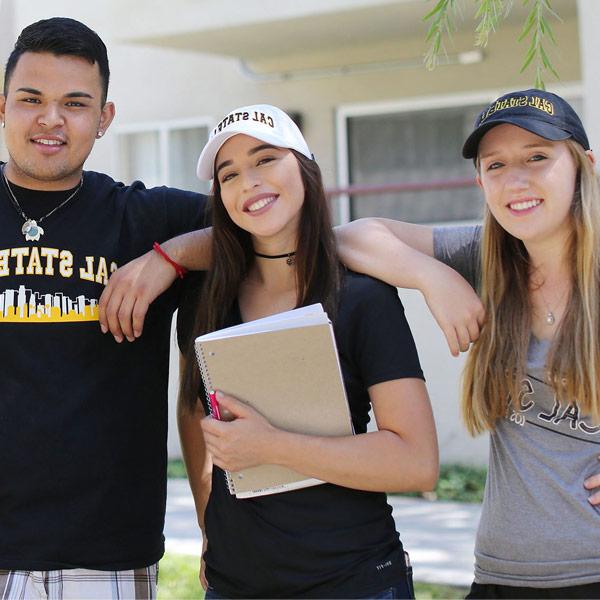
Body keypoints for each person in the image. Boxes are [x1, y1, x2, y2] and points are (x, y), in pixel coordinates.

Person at [336, 89, 600, 598]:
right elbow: (349, 235)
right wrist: (433, 279)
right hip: (501, 576)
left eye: (538, 157)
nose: (515, 180)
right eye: (495, 165)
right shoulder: (487, 261)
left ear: (584, 165)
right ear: (480, 180)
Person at [176, 104, 439, 599]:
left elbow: (416, 461)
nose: (248, 182)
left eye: (265, 159)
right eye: (228, 175)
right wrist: (207, 520)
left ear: (305, 167)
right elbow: (194, 411)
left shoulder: (363, 297)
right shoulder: (205, 300)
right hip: (235, 586)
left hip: (352, 581)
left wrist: (271, 445)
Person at [0, 17, 208, 599]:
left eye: (75, 103)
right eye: (31, 99)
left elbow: (274, 222)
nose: (51, 119)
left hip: (103, 556)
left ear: (104, 118)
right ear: (2, 106)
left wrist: (169, 256)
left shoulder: (141, 220)